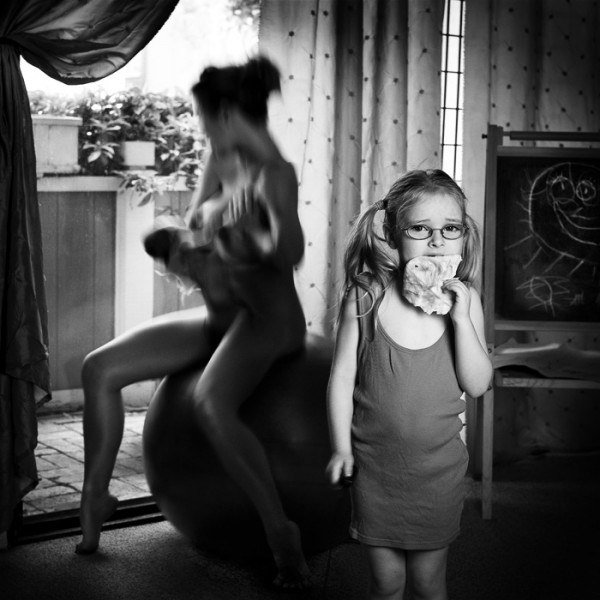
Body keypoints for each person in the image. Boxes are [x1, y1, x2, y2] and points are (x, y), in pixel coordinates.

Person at [76, 55, 311, 589]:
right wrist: (182, 244)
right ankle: (95, 498)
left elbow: (291, 252)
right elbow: (197, 232)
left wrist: (246, 239)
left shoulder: (274, 174)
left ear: (225, 113)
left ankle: (282, 534)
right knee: (99, 369)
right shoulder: (219, 158)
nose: (202, 128)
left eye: (204, 117)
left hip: (268, 320)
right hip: (220, 316)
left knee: (210, 402)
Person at [326, 170, 493, 600]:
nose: (437, 242)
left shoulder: (467, 300)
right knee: (387, 583)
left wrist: (461, 319)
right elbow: (341, 378)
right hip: (375, 470)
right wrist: (341, 448)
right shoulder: (366, 295)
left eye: (450, 229)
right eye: (420, 229)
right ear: (392, 233)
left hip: (436, 473)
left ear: (464, 235)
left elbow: (477, 384)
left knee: (428, 583)